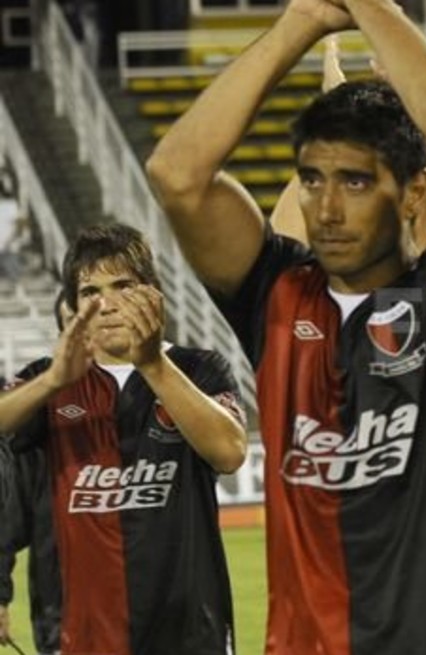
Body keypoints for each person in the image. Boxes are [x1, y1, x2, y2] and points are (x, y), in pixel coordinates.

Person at [144, 0, 426, 652]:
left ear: (415, 191)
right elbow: (176, 175)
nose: (327, 208)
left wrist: (370, 5)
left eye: (356, 182)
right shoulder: (278, 294)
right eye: (312, 180)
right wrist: (301, 21)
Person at [0, 224, 247, 654]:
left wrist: (152, 365)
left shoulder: (200, 368)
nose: (108, 304)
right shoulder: (46, 381)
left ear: (153, 292)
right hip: (84, 633)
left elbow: (229, 453)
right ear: (75, 305)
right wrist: (54, 380)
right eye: (90, 291)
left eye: (123, 286)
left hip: (190, 631)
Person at [0, 296, 70, 655]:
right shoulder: (37, 411)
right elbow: (7, 517)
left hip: (167, 617)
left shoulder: (175, 387)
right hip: (64, 618)